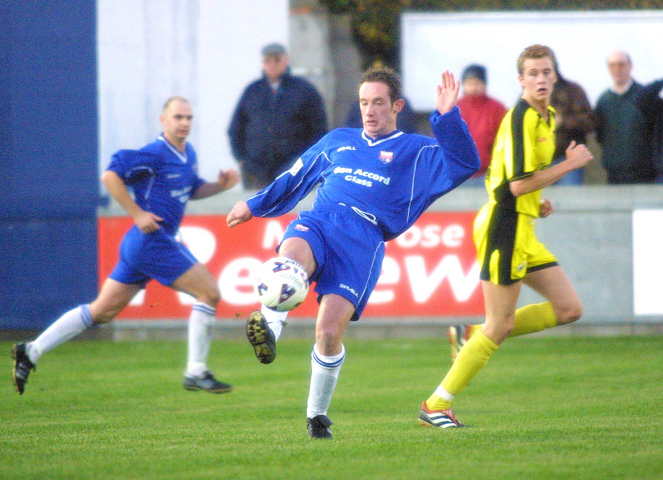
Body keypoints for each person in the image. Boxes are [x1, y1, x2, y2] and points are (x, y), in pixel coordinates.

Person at [227, 66, 480, 438]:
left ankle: (317, 416)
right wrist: (255, 204)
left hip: (363, 238)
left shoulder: (415, 150)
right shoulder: (338, 140)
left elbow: (464, 163)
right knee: (290, 257)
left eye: (378, 102)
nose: (370, 110)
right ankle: (270, 326)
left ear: (397, 106)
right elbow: (296, 174)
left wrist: (446, 117)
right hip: (321, 219)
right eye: (364, 102)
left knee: (328, 333)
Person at [12, 97, 240, 396]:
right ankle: (196, 370)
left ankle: (31, 350)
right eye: (178, 117)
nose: (184, 122)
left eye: (188, 117)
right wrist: (137, 213)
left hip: (142, 245)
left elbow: (190, 190)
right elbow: (110, 175)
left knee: (101, 312)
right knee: (209, 291)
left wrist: (219, 187)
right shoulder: (155, 153)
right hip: (152, 240)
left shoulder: (188, 153)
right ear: (163, 120)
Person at [419, 45, 593, 428]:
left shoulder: (545, 117)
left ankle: (471, 334)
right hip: (505, 227)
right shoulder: (521, 118)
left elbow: (523, 183)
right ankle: (435, 405)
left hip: (523, 226)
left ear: (554, 75)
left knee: (569, 309)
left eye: (546, 71)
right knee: (501, 326)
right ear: (521, 81)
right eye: (533, 73)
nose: (541, 79)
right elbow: (513, 186)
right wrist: (571, 164)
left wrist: (539, 201)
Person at [228, 42, 328, 190]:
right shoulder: (252, 91)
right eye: (268, 61)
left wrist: (307, 161)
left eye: (277, 59)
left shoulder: (304, 91)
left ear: (286, 61)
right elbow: (236, 128)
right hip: (256, 171)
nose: (272, 64)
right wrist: (242, 159)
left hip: (294, 170)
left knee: (290, 210)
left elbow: (319, 129)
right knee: (257, 210)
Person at [595, 51, 657, 184]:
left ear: (630, 66)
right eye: (612, 65)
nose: (617, 69)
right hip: (614, 174)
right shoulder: (603, 100)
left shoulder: (645, 97)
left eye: (621, 64)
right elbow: (600, 135)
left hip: (645, 175)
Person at [456, 64, 507, 187]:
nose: (473, 87)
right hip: (461, 175)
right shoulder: (455, 108)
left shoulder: (497, 108)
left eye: (477, 83)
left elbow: (505, 140)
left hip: (490, 174)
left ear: (484, 84)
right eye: (469, 83)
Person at [550, 68, 595, 185]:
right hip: (539, 162)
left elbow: (590, 122)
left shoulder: (573, 91)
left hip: (568, 159)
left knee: (570, 200)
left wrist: (562, 121)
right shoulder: (530, 95)